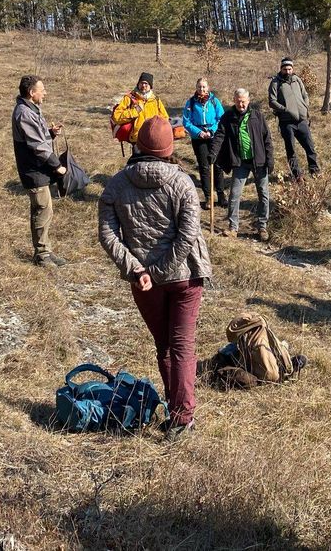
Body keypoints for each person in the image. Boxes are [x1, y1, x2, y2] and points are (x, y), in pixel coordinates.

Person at [98, 116, 211, 442]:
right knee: (182, 347)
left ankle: (177, 411)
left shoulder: (116, 185)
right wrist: (159, 271)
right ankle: (182, 417)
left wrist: (138, 271)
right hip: (184, 278)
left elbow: (108, 235)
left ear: (137, 144)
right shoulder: (182, 183)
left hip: (145, 282)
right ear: (169, 148)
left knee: (165, 345)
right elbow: (188, 236)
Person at [11, 75, 67, 267]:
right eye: (41, 89)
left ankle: (46, 252)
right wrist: (56, 165)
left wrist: (50, 133)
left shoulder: (31, 109)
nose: (45, 93)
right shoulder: (24, 113)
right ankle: (42, 255)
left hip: (38, 169)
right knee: (41, 210)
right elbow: (37, 146)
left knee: (45, 210)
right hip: (32, 170)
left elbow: (38, 137)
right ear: (31, 92)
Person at [209, 89, 273, 242]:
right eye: (238, 101)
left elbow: (267, 139)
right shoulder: (228, 117)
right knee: (234, 194)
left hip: (259, 161)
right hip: (240, 162)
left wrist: (270, 160)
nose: (241, 104)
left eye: (243, 101)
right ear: (234, 100)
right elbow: (219, 135)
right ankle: (233, 227)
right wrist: (213, 153)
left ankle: (262, 226)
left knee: (263, 194)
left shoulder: (257, 116)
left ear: (249, 100)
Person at [268, 58, 319, 180]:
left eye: (290, 69)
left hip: (302, 120)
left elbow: (305, 94)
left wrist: (305, 106)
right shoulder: (275, 83)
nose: (288, 71)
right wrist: (285, 109)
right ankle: (297, 175)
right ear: (281, 69)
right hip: (286, 122)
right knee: (291, 150)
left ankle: (315, 171)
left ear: (292, 69)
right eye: (285, 69)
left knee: (310, 147)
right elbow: (272, 101)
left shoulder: (297, 80)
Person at [182, 78, 226, 210]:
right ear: (196, 87)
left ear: (208, 88)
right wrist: (198, 132)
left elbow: (221, 118)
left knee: (217, 165)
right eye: (200, 87)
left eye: (204, 87)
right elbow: (186, 121)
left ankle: (221, 194)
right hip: (198, 137)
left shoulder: (214, 101)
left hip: (213, 135)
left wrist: (212, 130)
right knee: (204, 166)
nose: (202, 89)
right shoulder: (190, 103)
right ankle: (208, 197)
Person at [111, 72, 169, 150]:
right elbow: (116, 117)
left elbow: (165, 118)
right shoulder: (129, 98)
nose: (143, 86)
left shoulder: (156, 100)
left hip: (153, 139)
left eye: (146, 84)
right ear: (138, 84)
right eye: (142, 83)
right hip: (137, 140)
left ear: (150, 86)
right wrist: (134, 112)